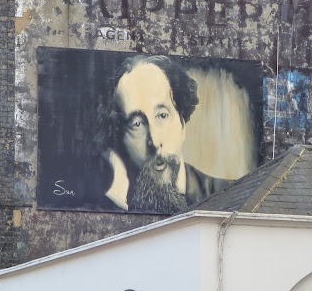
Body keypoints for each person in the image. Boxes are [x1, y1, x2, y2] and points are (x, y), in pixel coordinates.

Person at [97, 54, 232, 213]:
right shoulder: (113, 201)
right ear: (120, 138)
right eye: (137, 124)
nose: (154, 141)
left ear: (182, 121)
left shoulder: (229, 196)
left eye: (162, 115)